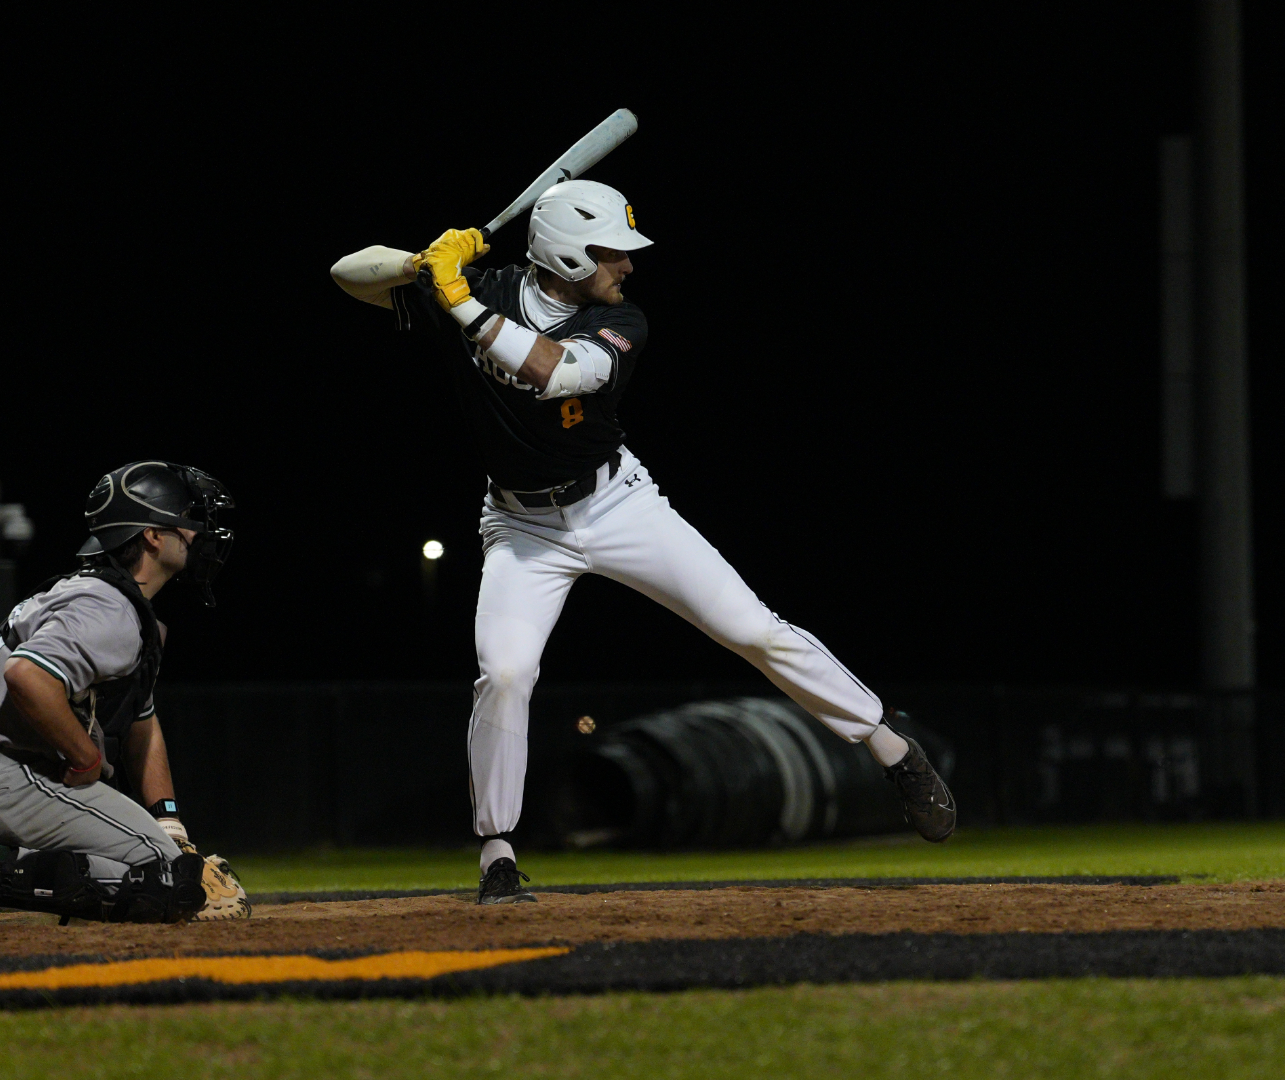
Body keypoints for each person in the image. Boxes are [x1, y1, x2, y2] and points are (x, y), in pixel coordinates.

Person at [331, 181, 956, 904]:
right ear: (565, 254)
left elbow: (553, 372)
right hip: (522, 525)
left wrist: (460, 302)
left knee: (751, 628)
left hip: (616, 504)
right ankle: (497, 854)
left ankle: (890, 748)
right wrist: (422, 263)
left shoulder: (620, 321)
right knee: (503, 674)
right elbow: (347, 274)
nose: (627, 266)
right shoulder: (482, 285)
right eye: (612, 253)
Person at [0, 461, 249, 925]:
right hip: (2, 772)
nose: (198, 534)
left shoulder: (106, 600)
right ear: (153, 536)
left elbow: (142, 723)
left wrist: (169, 824)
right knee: (170, 880)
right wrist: (85, 758)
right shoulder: (110, 608)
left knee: (157, 861)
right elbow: (27, 677)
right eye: (187, 522)